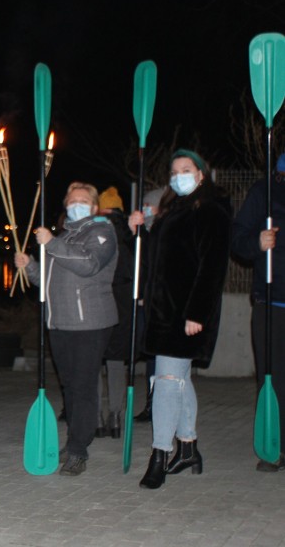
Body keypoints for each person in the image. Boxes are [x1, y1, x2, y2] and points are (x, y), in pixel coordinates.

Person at [130, 149, 231, 489]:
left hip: (185, 313)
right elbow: (161, 260)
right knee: (178, 380)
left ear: (202, 174)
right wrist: (141, 233)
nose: (179, 176)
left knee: (166, 383)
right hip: (163, 311)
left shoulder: (212, 211)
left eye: (186, 170)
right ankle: (188, 449)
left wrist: (197, 313)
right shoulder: (174, 210)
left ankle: (159, 454)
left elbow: (212, 267)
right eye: (174, 171)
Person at [14, 182, 118, 476]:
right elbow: (46, 282)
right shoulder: (64, 235)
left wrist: (52, 243)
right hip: (60, 323)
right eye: (71, 201)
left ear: (95, 207)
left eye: (83, 201)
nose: (76, 205)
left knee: (83, 387)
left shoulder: (101, 232)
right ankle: (75, 440)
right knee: (70, 387)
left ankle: (78, 450)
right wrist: (30, 265)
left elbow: (88, 264)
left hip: (90, 324)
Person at [231, 152, 285, 472]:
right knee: (274, 376)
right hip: (273, 300)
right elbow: (238, 237)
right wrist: (258, 242)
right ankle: (275, 444)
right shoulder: (264, 191)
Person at [94, 186, 133, 439]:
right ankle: (116, 415)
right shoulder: (131, 236)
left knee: (94, 362)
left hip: (97, 303)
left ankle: (96, 415)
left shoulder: (96, 232)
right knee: (117, 362)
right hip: (123, 307)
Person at [132, 186, 166, 423]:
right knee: (151, 356)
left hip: (161, 304)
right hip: (145, 301)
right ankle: (152, 403)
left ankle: (160, 404)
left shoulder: (162, 233)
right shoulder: (142, 233)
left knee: (161, 357)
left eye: (149, 206)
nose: (145, 209)